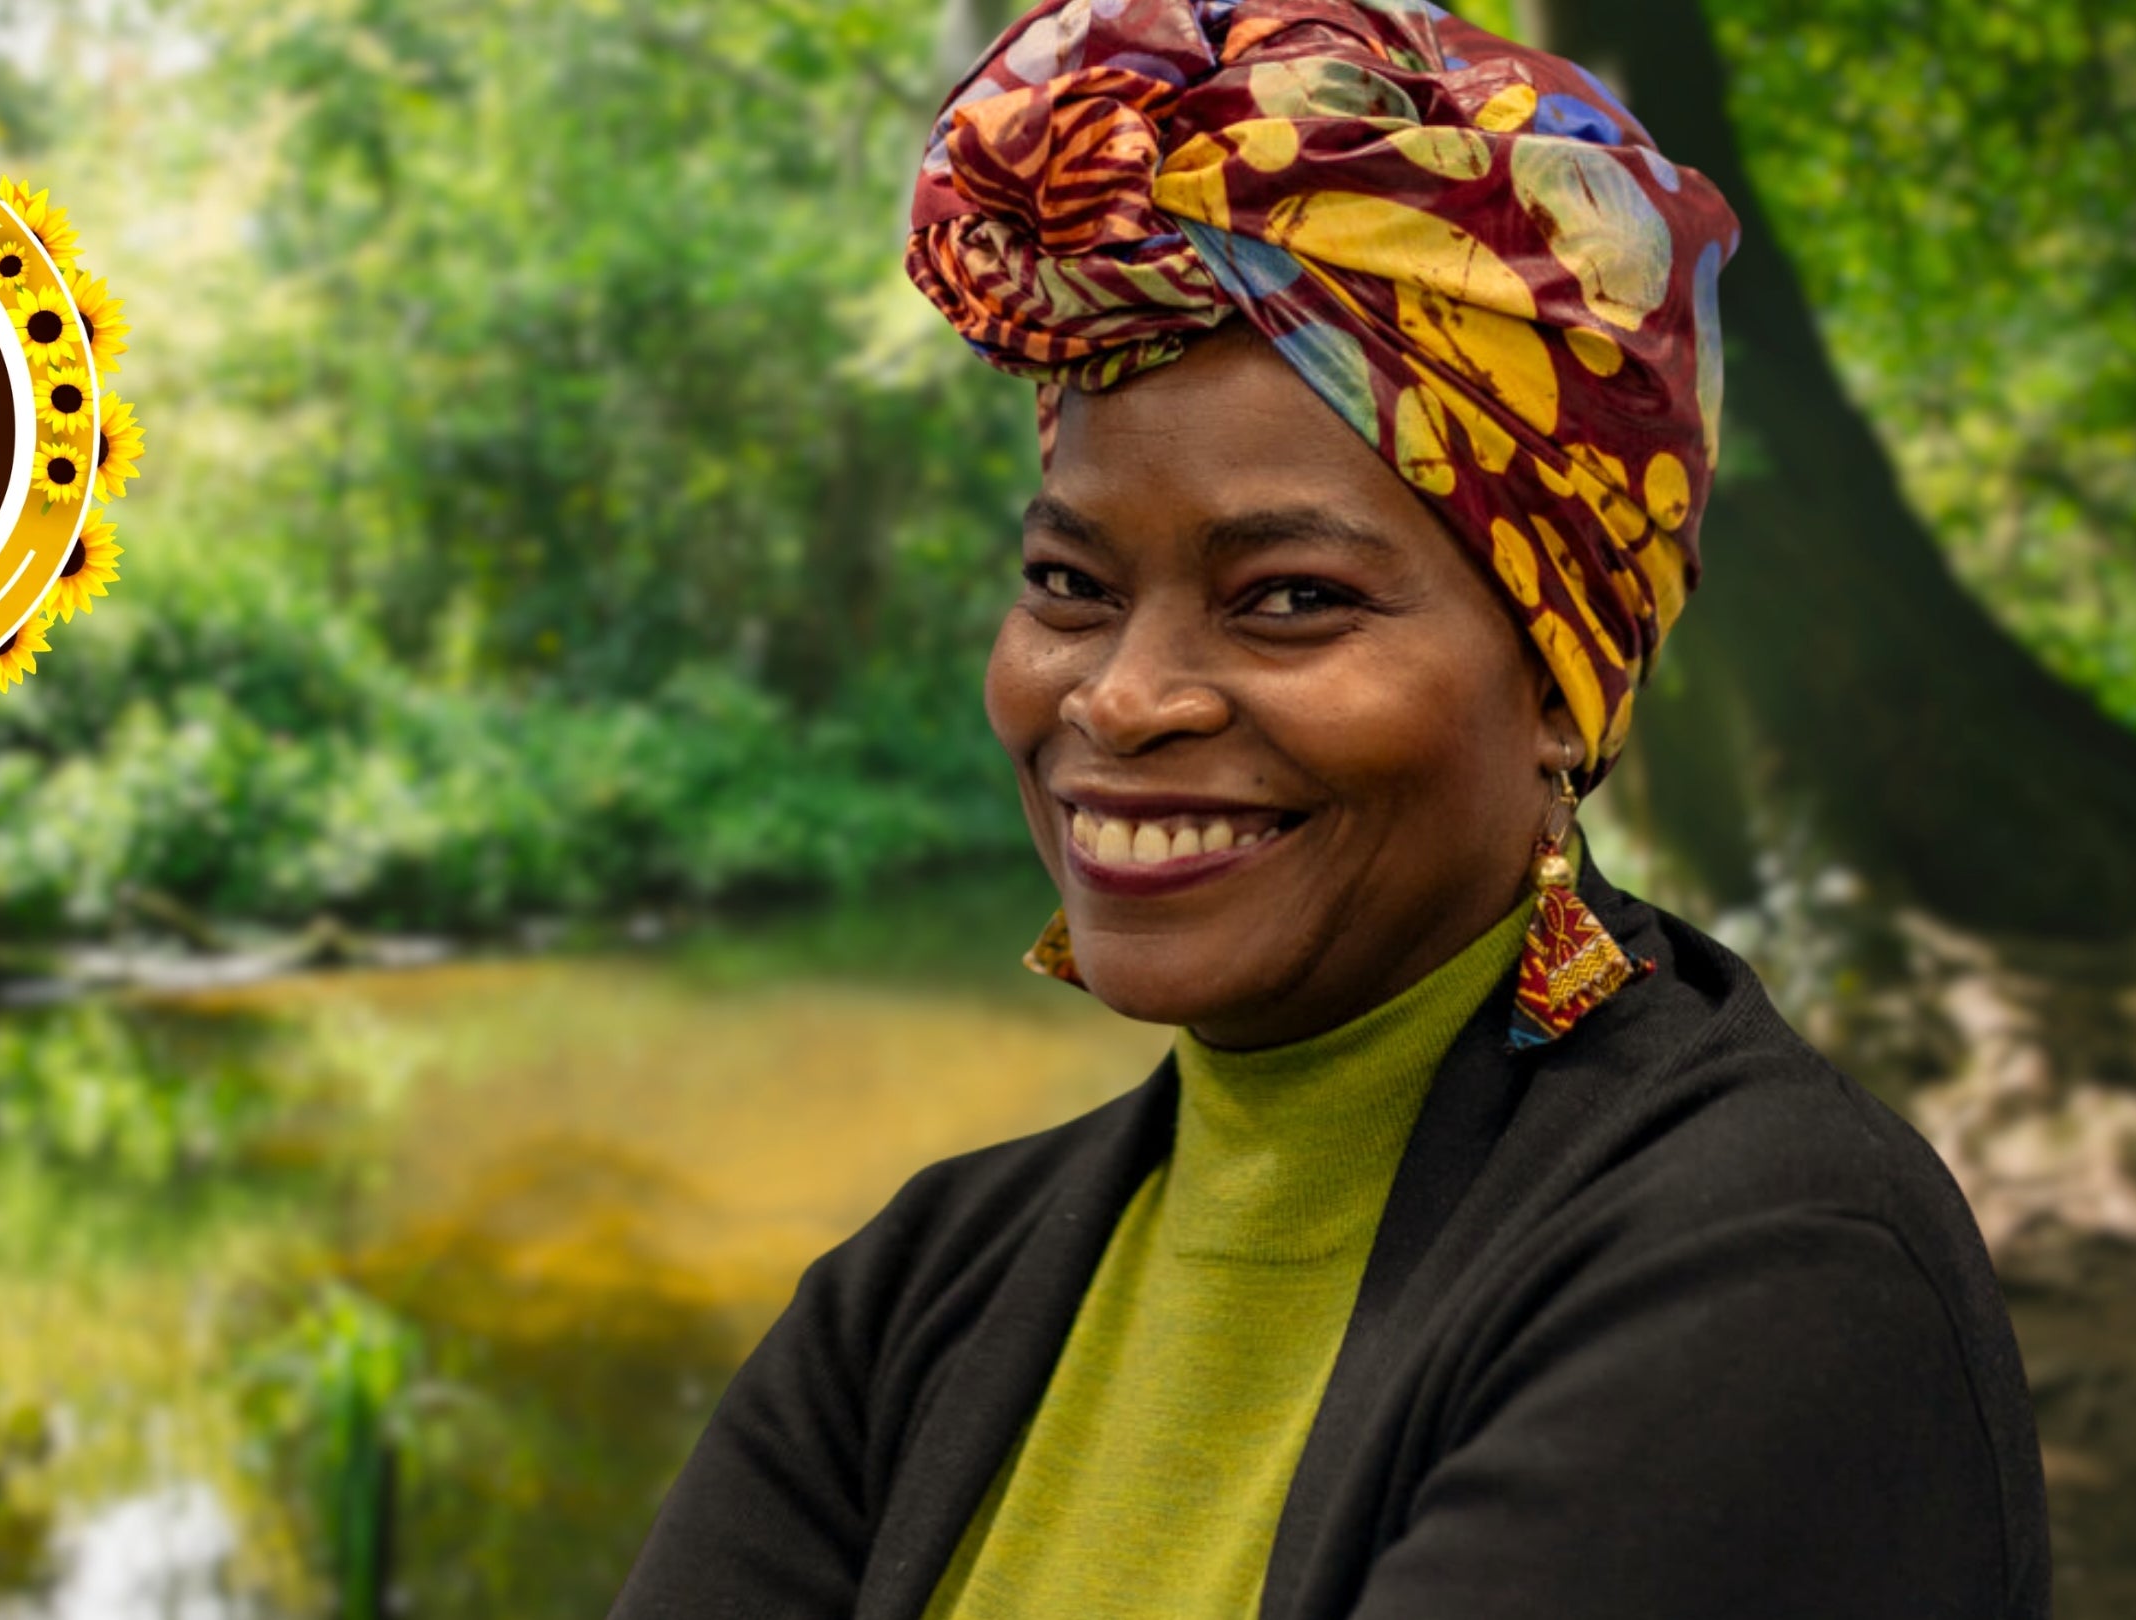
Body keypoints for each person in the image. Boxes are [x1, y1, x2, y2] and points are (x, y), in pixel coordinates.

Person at [611, 3, 2049, 1616]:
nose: (1120, 699)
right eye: (1070, 584)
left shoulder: (1768, 1263)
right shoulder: (918, 1295)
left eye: (1292, 597)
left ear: (1561, 682)